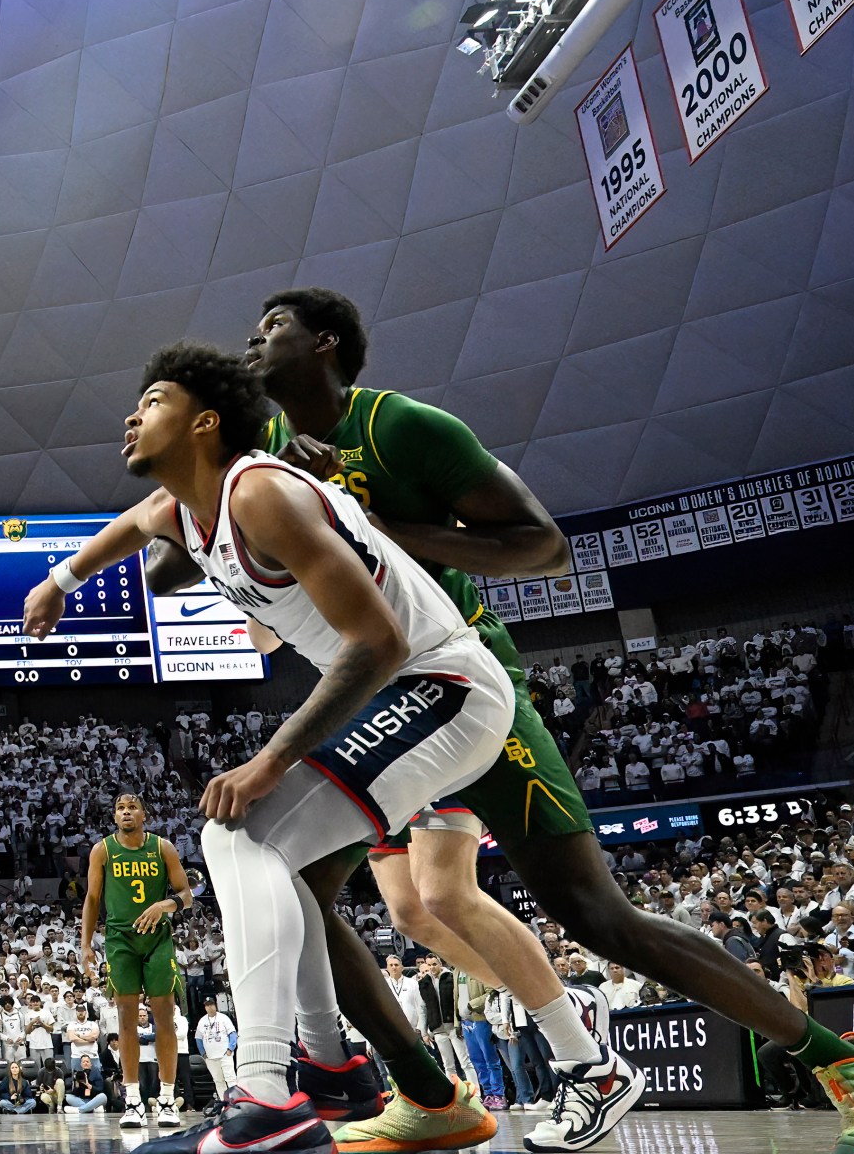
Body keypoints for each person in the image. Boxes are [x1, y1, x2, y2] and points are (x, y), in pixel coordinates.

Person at [228, 288, 854, 1153]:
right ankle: (431, 1094)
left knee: (594, 913)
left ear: (324, 344)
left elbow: (544, 545)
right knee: (302, 894)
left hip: (461, 675)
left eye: (272, 325)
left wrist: (388, 529)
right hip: (377, 696)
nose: (252, 336)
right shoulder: (265, 459)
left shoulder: (402, 428)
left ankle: (845, 1060)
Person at [28, 343, 518, 1154]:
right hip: (404, 696)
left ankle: (265, 1097)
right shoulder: (183, 508)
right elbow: (129, 527)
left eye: (152, 401)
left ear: (205, 423)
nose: (130, 414)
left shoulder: (260, 493)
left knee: (237, 831)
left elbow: (379, 642)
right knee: (273, 865)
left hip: (443, 689)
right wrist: (60, 581)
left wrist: (271, 760)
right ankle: (332, 1070)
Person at [84, 791, 190, 1128]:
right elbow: (92, 897)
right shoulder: (103, 850)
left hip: (157, 939)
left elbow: (187, 893)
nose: (126, 812)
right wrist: (86, 944)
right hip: (120, 940)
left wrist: (164, 905)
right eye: (120, 808)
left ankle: (167, 1099)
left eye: (132, 807)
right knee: (126, 1020)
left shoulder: (163, 848)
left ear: (144, 815)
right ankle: (132, 1101)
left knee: (164, 1019)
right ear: (114, 817)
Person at [196, 997, 238, 1101]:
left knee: (231, 1078)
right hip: (210, 1057)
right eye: (207, 1005)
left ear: (215, 1005)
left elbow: (232, 1033)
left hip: (224, 1054)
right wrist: (203, 1053)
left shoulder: (223, 1018)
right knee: (218, 1081)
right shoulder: (202, 1021)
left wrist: (230, 1048)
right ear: (205, 1007)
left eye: (211, 1004)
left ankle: (235, 1101)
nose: (209, 1007)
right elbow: (198, 1038)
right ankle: (224, 1104)